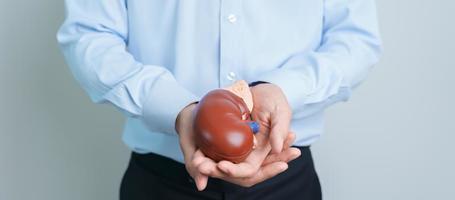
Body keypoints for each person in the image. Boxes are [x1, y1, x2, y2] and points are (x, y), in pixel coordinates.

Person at [57, 0, 382, 199]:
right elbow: (89, 35)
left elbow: (355, 40)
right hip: (160, 181)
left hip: (286, 175)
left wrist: (283, 89)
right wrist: (175, 108)